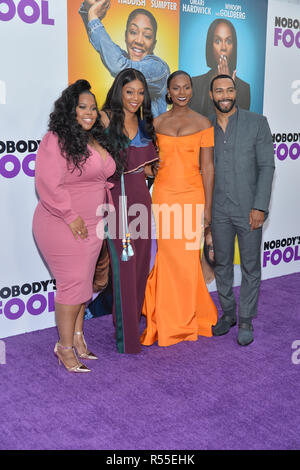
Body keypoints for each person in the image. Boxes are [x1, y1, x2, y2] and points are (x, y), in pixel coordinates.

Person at [32, 79, 116, 372]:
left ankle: (79, 337)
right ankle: (64, 347)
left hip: (93, 223)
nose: (90, 112)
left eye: (93, 107)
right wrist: (70, 216)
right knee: (72, 287)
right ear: (70, 110)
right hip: (62, 223)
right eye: (83, 107)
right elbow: (47, 184)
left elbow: (98, 174)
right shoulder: (55, 139)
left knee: (83, 286)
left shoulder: (94, 138)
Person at [141, 70, 218, 348]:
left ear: (191, 90)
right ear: (168, 92)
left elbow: (208, 168)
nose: (182, 91)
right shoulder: (157, 122)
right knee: (168, 254)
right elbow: (149, 163)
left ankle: (185, 319)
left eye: (186, 87)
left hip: (192, 196)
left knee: (186, 257)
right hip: (163, 194)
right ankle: (166, 316)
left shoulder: (203, 122)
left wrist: (208, 207)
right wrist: (151, 167)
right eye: (176, 87)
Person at [209, 74, 275, 346]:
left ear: (236, 93)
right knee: (222, 264)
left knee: (250, 267)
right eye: (219, 91)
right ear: (211, 95)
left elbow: (267, 167)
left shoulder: (257, 123)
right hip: (217, 211)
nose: (225, 95)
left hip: (249, 210)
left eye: (229, 90)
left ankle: (246, 318)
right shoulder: (204, 127)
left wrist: (260, 206)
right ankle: (228, 314)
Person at [98, 68, 159, 354]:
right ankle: (127, 336)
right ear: (119, 91)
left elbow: (147, 168)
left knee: (140, 265)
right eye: (129, 91)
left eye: (140, 92)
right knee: (124, 266)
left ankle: (134, 322)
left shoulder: (147, 123)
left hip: (140, 199)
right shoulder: (105, 118)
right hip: (114, 199)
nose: (135, 98)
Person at [79, 0, 170, 117]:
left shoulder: (158, 68)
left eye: (147, 36)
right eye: (133, 32)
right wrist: (88, 11)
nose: (138, 41)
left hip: (149, 135)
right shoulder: (126, 61)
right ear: (126, 36)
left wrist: (93, 16)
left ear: (154, 43)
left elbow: (118, 65)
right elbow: (105, 49)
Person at [189, 19, 250, 118]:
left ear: (234, 47)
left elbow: (236, 125)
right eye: (217, 41)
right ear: (210, 45)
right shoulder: (195, 84)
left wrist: (228, 84)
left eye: (228, 41)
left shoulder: (244, 89)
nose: (223, 47)